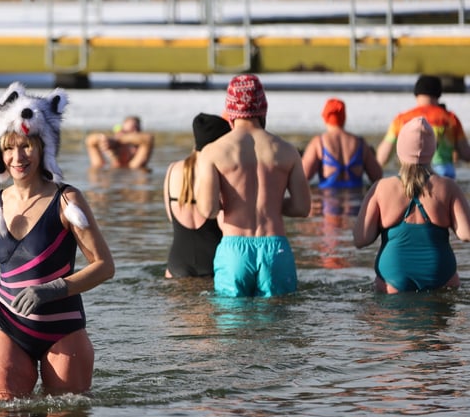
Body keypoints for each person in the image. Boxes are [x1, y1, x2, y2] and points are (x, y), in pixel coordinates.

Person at [0, 81, 114, 400]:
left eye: (27, 146)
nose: (17, 157)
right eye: (9, 148)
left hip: (63, 332)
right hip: (8, 327)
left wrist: (53, 289)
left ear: (44, 147)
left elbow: (104, 266)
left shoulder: (67, 200)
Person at [194, 74, 312, 297]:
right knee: (277, 317)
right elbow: (302, 207)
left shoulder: (214, 151)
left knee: (232, 317)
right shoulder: (287, 150)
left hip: (234, 249)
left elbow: (208, 210)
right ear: (263, 109)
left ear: (230, 111)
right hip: (275, 249)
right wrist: (271, 204)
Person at [353, 117, 470, 293]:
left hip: (392, 279)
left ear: (400, 149)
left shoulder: (382, 188)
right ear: (432, 150)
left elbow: (361, 239)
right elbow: (466, 234)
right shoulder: (448, 186)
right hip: (441, 277)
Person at [163, 113, 231, 278]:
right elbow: (226, 225)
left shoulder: (173, 169)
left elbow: (171, 217)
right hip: (213, 261)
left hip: (176, 262)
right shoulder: (221, 173)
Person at [375, 74, 470, 178]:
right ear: (438, 94)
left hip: (412, 178)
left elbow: (382, 158)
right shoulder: (450, 119)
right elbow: (466, 154)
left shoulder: (402, 120)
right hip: (444, 178)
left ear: (416, 94)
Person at [301, 97, 383, 189]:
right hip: (356, 195)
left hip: (327, 196)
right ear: (344, 117)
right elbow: (377, 175)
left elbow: (303, 175)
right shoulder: (361, 143)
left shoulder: (319, 143)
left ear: (325, 118)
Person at [85, 115, 154, 169]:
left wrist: (117, 140)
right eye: (131, 130)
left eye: (137, 130)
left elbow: (148, 139)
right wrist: (105, 139)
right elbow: (89, 140)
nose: (135, 133)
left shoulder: (134, 165)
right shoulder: (101, 165)